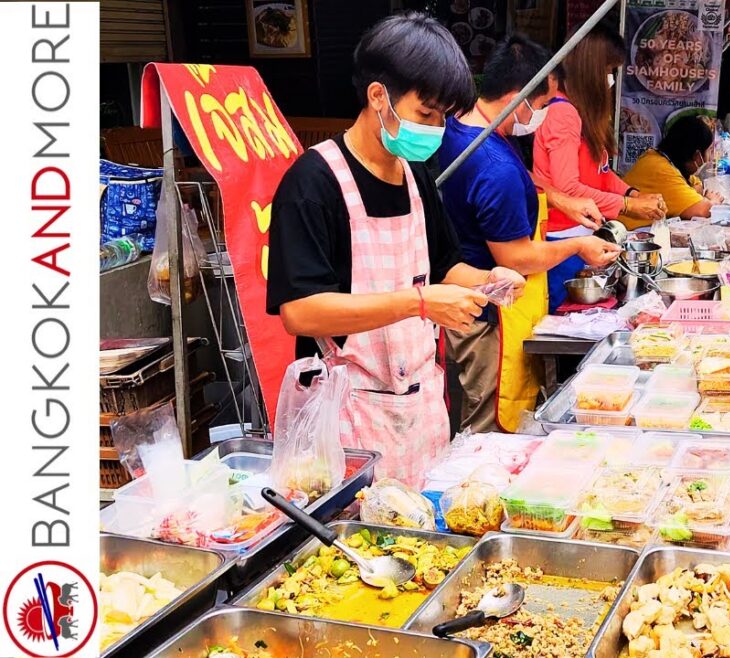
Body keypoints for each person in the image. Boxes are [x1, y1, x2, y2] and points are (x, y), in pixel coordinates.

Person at [266, 13, 525, 486]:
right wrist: (420, 303)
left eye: (443, 116)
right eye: (427, 114)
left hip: (422, 406)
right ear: (378, 96)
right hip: (346, 417)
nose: (437, 127)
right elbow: (300, 312)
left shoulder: (414, 175)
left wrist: (489, 282)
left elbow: (444, 267)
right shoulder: (313, 182)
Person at [437, 35, 621, 434]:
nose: (540, 116)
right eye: (539, 106)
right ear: (517, 98)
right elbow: (515, 258)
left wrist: (561, 201)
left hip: (462, 309)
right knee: (487, 429)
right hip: (489, 319)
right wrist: (579, 244)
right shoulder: (492, 165)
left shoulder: (459, 130)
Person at [533, 23, 665, 311]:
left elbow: (602, 172)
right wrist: (628, 206)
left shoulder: (582, 114)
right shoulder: (563, 114)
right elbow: (569, 189)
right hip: (562, 239)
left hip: (583, 236)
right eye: (609, 70)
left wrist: (633, 193)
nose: (611, 79)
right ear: (591, 71)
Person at [622, 116, 721, 223]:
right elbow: (702, 210)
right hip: (631, 232)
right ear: (697, 155)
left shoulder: (659, 158)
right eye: (709, 151)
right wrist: (713, 201)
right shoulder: (661, 170)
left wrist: (696, 193)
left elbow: (697, 185)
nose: (710, 158)